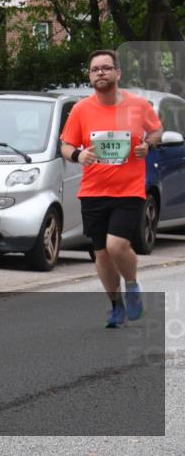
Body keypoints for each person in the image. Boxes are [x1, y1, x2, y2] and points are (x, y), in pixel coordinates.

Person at [60, 49, 163, 327]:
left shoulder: (139, 105)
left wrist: (147, 145)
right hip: (93, 192)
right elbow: (66, 145)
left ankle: (132, 285)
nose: (101, 73)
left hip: (128, 190)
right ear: (90, 76)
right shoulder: (81, 110)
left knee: (116, 245)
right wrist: (77, 155)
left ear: (118, 73)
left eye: (106, 68)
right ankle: (116, 305)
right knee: (101, 253)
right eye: (95, 69)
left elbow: (156, 131)